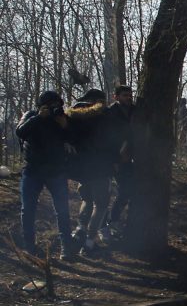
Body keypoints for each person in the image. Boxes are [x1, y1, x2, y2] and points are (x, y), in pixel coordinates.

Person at [16, 90, 75, 259]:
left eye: (58, 104)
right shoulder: (31, 115)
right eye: (52, 105)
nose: (56, 107)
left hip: (56, 171)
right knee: (28, 210)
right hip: (33, 170)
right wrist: (38, 117)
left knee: (63, 209)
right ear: (42, 106)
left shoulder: (62, 118)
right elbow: (20, 132)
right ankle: (29, 247)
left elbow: (74, 139)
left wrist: (65, 126)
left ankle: (66, 247)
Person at [67, 88, 117, 255]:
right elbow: (110, 141)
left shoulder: (73, 115)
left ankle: (80, 230)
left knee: (86, 200)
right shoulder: (103, 117)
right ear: (99, 101)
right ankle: (89, 243)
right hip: (100, 166)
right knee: (100, 204)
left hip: (81, 168)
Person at [104, 85, 135, 239]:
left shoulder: (135, 111)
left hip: (132, 157)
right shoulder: (110, 113)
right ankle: (112, 221)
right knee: (123, 190)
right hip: (115, 160)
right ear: (115, 97)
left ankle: (115, 220)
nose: (128, 98)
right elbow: (107, 139)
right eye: (124, 95)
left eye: (129, 95)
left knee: (131, 190)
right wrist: (115, 158)